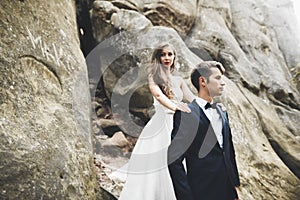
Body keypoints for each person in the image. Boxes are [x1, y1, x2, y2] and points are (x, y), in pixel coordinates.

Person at [117, 43, 196, 200]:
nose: (167, 58)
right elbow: (159, 97)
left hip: (178, 125)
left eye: (170, 55)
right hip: (161, 124)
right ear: (158, 58)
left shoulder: (179, 80)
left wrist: (209, 104)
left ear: (174, 58)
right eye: (163, 55)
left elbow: (192, 99)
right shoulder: (154, 77)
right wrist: (175, 107)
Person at [168, 61, 241, 200]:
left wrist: (235, 186)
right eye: (218, 78)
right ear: (203, 81)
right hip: (202, 192)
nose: (223, 83)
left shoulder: (222, 111)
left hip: (227, 191)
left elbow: (228, 151)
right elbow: (174, 160)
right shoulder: (186, 114)